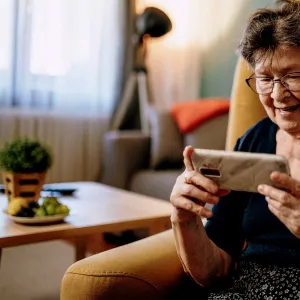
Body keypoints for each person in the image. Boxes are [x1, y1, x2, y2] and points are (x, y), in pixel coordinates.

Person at [170, 1, 300, 299]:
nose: (278, 95)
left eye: (293, 76)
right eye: (265, 79)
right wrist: (183, 218)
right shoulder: (255, 140)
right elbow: (214, 272)